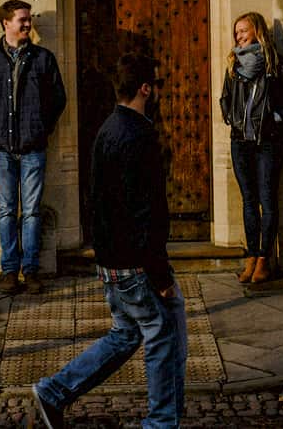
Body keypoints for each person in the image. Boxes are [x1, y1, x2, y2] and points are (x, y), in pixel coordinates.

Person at [32, 54, 187, 429]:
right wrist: (161, 275)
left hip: (111, 262)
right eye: (154, 86)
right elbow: (147, 211)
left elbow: (98, 200)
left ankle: (54, 391)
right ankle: (162, 423)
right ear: (145, 89)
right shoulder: (140, 134)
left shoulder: (106, 130)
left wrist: (102, 257)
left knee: (125, 334)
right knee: (163, 335)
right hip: (136, 265)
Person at [0, 0, 66, 294]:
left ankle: (31, 271)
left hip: (33, 148)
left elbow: (58, 99)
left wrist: (41, 127)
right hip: (2, 150)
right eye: (22, 20)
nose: (27, 24)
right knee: (7, 211)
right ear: (5, 23)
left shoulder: (43, 59)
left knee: (33, 211)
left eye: (28, 20)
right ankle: (9, 271)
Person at [220, 12, 283, 284]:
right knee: (248, 201)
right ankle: (251, 258)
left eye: (243, 30)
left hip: (267, 142)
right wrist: (230, 117)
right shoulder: (233, 65)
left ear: (257, 30)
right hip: (240, 142)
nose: (239, 36)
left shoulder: (275, 64)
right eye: (236, 33)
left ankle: (265, 260)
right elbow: (225, 98)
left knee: (267, 201)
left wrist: (276, 118)